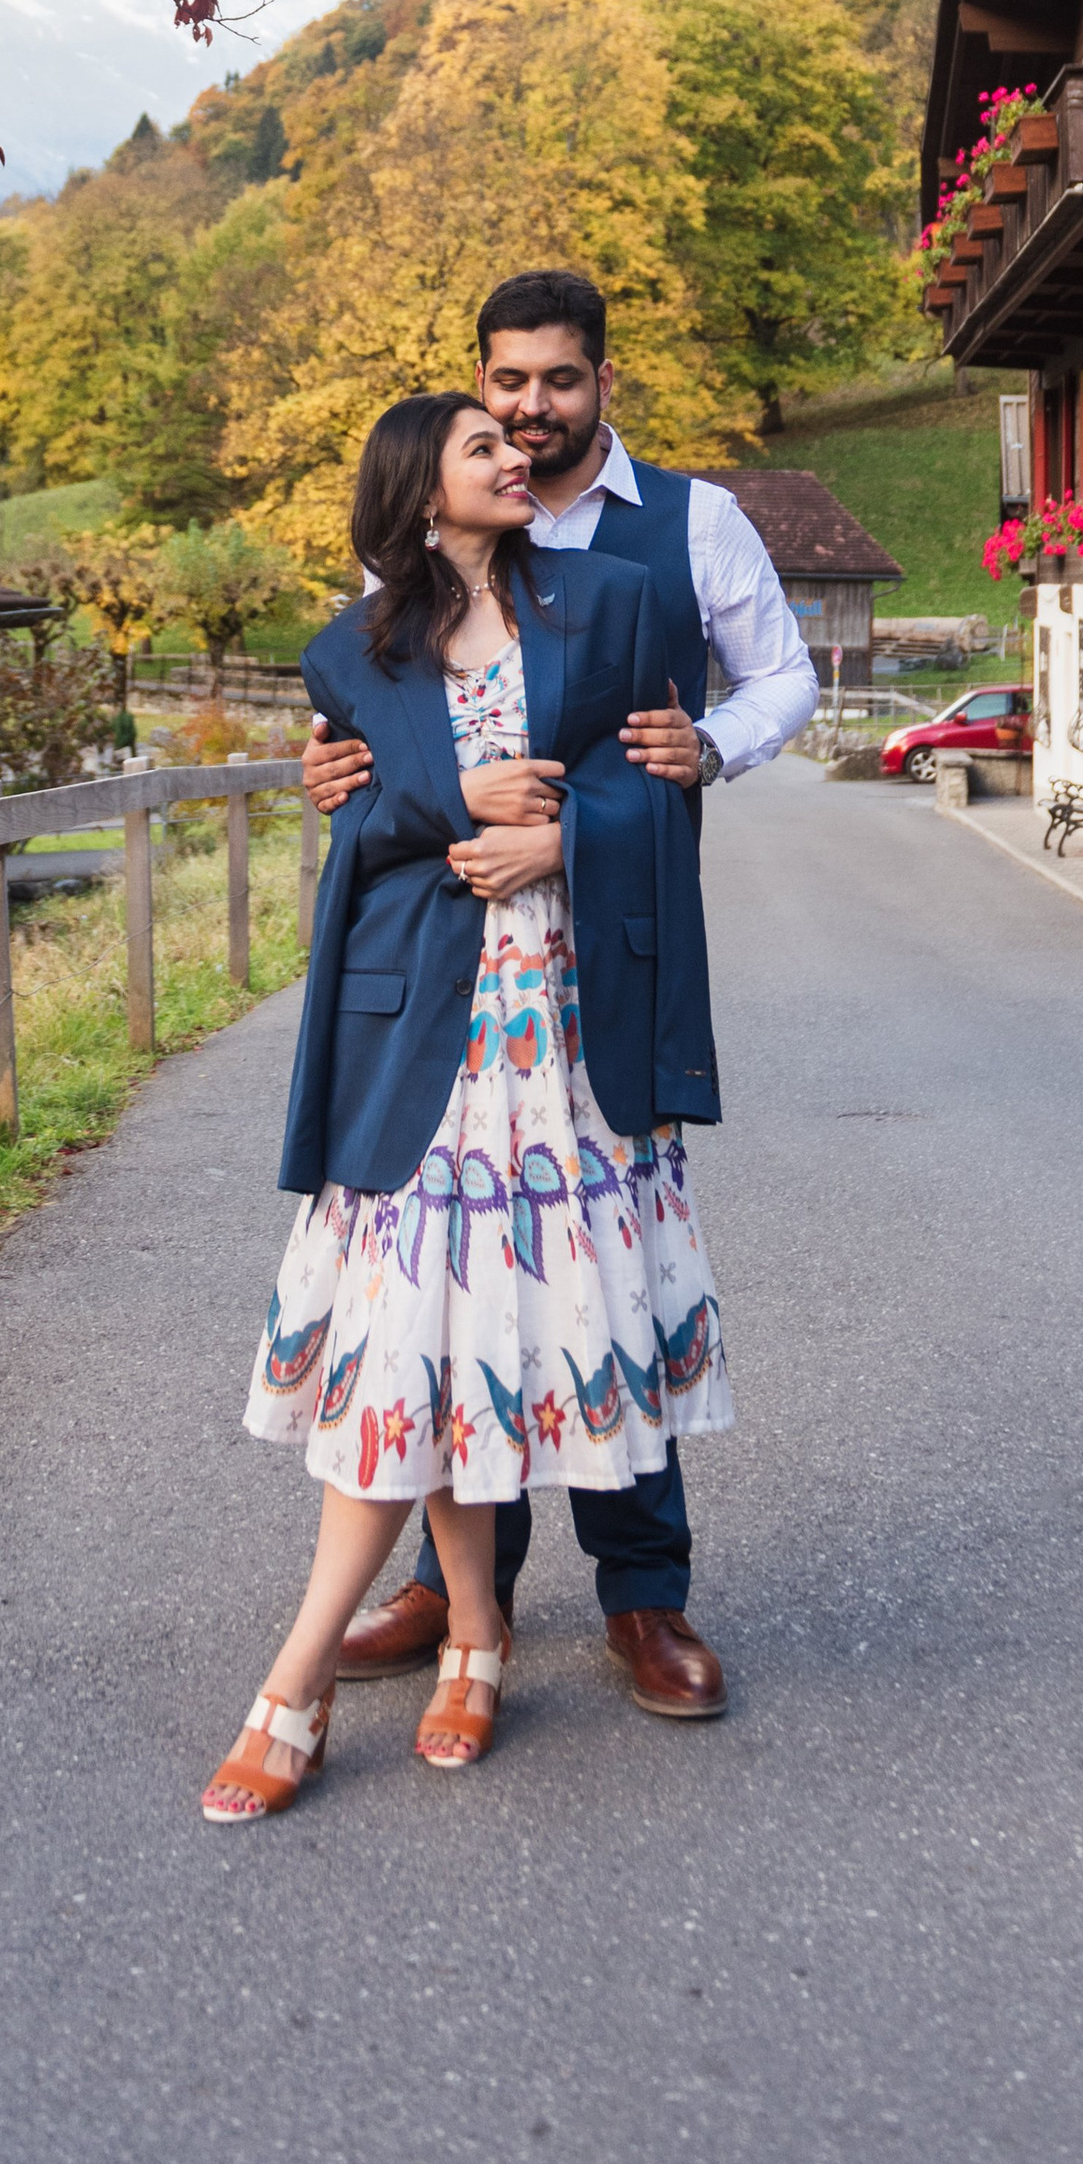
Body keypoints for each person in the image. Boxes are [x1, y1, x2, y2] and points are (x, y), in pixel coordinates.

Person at [301, 268, 817, 1719]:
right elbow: (378, 736)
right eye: (506, 387)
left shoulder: (685, 528)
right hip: (457, 980)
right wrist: (340, 772)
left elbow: (779, 680)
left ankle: (644, 1593)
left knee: (599, 1258)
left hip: (607, 946)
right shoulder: (412, 574)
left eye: (559, 382)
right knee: (465, 1270)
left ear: (603, 381)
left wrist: (705, 749)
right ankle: (460, 1592)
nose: (530, 412)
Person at [204, 388, 724, 1821]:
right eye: (483, 446)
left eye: (517, 439)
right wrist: (445, 809)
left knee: (506, 1323)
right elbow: (362, 831)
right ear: (422, 494)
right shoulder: (354, 652)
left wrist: (562, 840)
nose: (516, 453)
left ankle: (495, 1631)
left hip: (569, 1035)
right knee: (416, 1338)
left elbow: (661, 791)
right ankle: (427, 1638)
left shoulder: (611, 603)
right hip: (425, 1041)